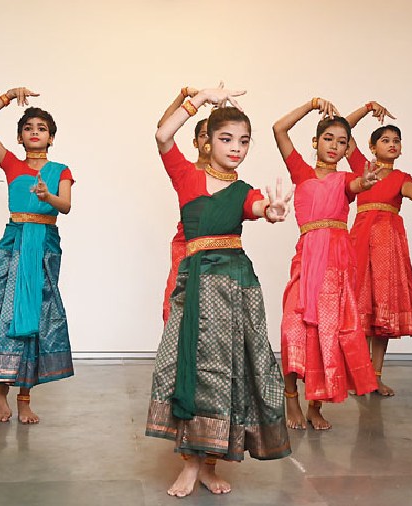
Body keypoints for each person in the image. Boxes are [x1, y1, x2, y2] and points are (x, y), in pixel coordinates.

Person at [144, 86, 294, 498]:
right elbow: (162, 136)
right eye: (226, 138)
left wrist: (273, 210)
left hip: (234, 287)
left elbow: (259, 207)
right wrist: (202, 98)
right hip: (194, 286)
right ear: (206, 141)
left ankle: (208, 464)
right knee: (188, 368)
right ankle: (189, 464)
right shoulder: (187, 176)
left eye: (244, 141)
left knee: (227, 372)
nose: (236, 148)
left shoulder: (244, 190)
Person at [0, 86, 75, 425]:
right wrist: (7, 97)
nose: (35, 132)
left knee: (34, 321)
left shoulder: (61, 170)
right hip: (13, 244)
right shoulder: (11, 164)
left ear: (51, 137)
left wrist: (48, 194)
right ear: (19, 137)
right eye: (28, 128)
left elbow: (66, 206)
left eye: (42, 128)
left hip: (43, 248)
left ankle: (25, 399)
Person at [272, 96, 381, 430]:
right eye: (329, 139)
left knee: (326, 336)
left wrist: (366, 182)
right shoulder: (301, 173)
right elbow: (279, 129)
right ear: (315, 142)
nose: (335, 146)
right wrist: (310, 105)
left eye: (342, 142)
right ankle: (291, 399)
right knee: (293, 330)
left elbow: (358, 183)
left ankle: (315, 406)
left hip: (335, 265)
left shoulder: (345, 180)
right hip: (306, 261)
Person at [343, 101, 412, 397]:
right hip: (360, 241)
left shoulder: (402, 178)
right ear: (372, 147)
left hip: (387, 245)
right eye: (385, 140)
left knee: (381, 314)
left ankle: (375, 376)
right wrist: (367, 107)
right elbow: (343, 128)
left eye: (396, 141)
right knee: (359, 307)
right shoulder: (362, 167)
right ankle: (358, 375)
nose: (392, 144)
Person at [157, 85, 211, 324]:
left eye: (216, 134)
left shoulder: (229, 175)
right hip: (186, 246)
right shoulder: (184, 171)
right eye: (203, 135)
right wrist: (186, 97)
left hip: (219, 250)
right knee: (176, 307)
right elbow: (163, 129)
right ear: (195, 142)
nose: (209, 139)